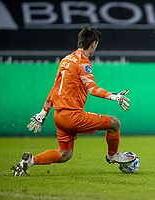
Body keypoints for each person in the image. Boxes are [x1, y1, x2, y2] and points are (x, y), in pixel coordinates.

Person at [12, 27, 135, 176]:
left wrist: (43, 113)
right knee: (115, 123)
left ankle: (30, 161)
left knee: (65, 155)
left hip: (58, 116)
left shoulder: (66, 60)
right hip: (73, 116)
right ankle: (113, 155)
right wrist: (114, 96)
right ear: (93, 44)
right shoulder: (83, 63)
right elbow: (92, 89)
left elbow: (54, 89)